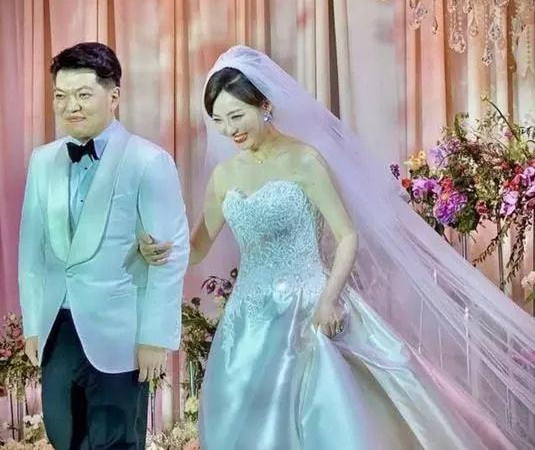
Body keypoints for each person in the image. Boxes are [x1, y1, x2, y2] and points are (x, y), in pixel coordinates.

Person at [141, 46, 535, 449]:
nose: (229, 130)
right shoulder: (224, 176)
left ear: (264, 105)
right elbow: (198, 245)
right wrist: (163, 252)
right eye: (219, 121)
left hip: (309, 306)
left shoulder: (305, 161)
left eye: (237, 116)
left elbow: (347, 236)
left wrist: (329, 300)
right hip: (247, 321)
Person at [18, 42, 190, 449]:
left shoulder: (148, 160)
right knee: (63, 435)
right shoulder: (42, 160)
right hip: (57, 328)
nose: (70, 106)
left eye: (83, 94)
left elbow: (170, 255)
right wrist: (32, 325)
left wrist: (155, 337)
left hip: (120, 331)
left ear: (113, 96)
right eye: (60, 96)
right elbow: (31, 251)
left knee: (116, 438)